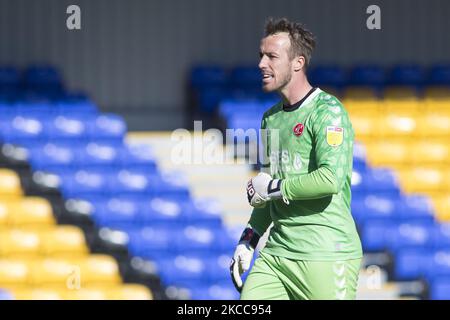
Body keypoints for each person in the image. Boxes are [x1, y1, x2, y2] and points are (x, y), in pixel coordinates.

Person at [229, 17, 363, 300]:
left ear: (297, 63)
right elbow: (267, 192)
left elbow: (330, 179)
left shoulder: (328, 111)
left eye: (271, 57)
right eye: (261, 56)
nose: (261, 64)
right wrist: (248, 240)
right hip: (277, 256)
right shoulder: (270, 119)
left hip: (326, 254)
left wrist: (275, 187)